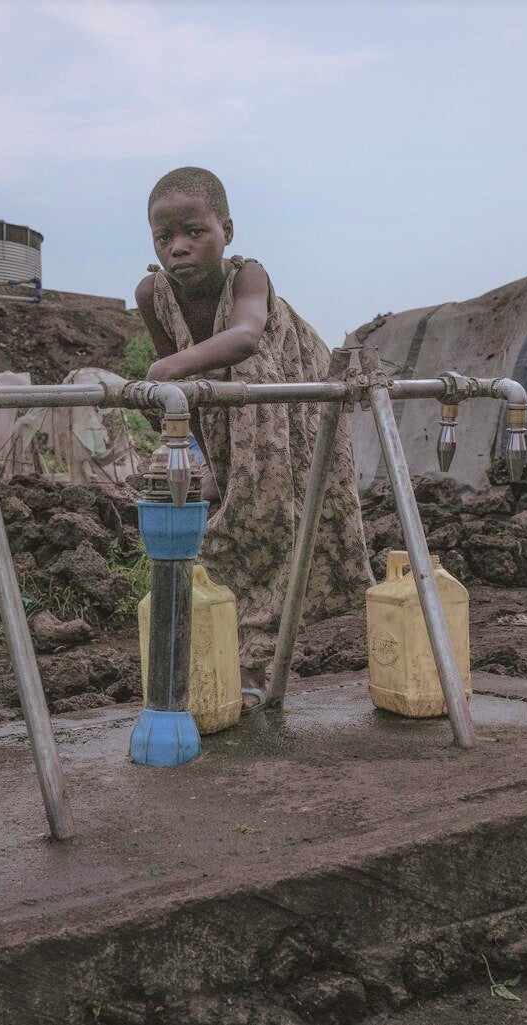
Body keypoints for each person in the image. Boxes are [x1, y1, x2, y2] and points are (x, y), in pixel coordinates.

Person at [134, 166, 374, 709]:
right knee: (235, 509)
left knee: (273, 513)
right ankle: (222, 652)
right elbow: (182, 386)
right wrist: (206, 459)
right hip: (224, 409)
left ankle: (255, 658)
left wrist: (163, 370)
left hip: (285, 398)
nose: (179, 248)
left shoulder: (249, 277)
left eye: (195, 231)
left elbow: (243, 339)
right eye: (163, 238)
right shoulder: (153, 293)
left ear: (228, 230)